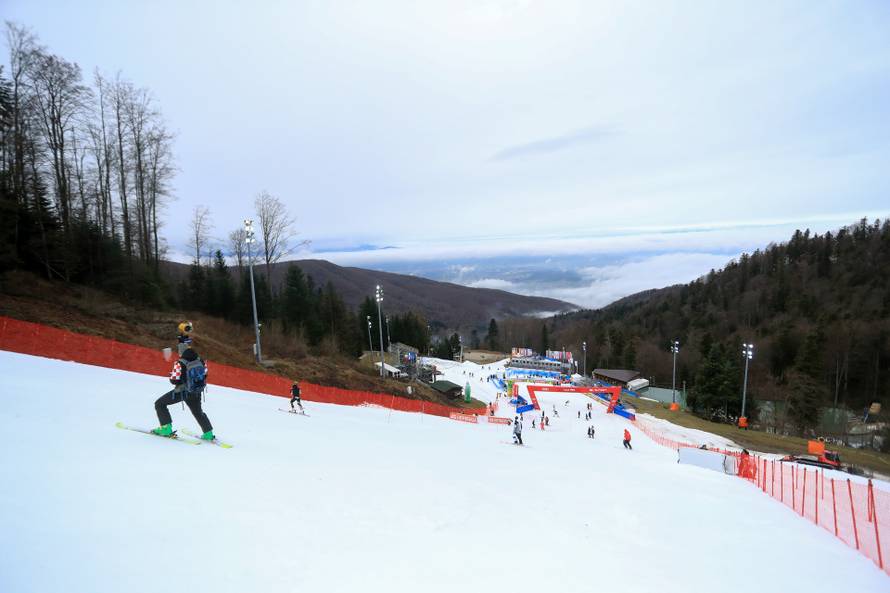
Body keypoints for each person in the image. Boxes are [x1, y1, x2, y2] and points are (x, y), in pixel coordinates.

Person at [152, 321, 214, 440]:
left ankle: (166, 428)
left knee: (160, 404)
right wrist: (183, 338)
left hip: (183, 391)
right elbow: (204, 374)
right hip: (196, 391)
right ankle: (208, 433)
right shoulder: (200, 360)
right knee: (198, 412)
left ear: (182, 354)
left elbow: (174, 380)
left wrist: (174, 376)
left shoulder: (180, 362)